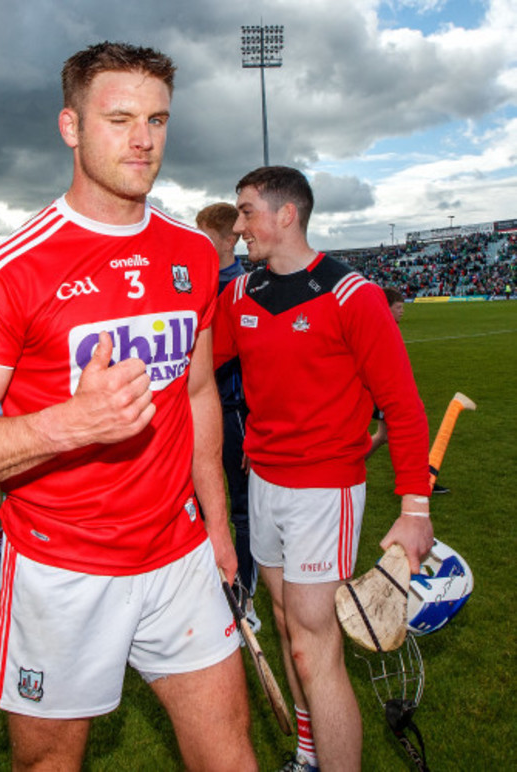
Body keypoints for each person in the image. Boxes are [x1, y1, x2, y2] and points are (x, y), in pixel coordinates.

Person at [0, 42, 256, 771]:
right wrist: (72, 423)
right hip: (62, 570)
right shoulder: (8, 272)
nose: (143, 141)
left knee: (230, 753)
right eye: (121, 119)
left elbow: (198, 393)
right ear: (70, 127)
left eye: (158, 120)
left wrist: (219, 528)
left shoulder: (193, 255)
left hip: (179, 556)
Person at [212, 166, 434, 772]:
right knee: (287, 629)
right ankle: (309, 756)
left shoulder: (351, 295)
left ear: (287, 215)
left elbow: (404, 407)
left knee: (316, 649)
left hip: (324, 489)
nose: (239, 225)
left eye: (247, 211)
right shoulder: (240, 294)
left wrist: (415, 508)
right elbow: (196, 364)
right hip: (263, 483)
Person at [196, 202, 259, 632]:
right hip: (198, 409)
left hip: (233, 409)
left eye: (205, 234)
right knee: (198, 503)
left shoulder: (243, 285)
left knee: (241, 508)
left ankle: (246, 594)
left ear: (228, 237)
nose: (197, 241)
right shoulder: (196, 280)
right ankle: (204, 583)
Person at [366, 287, 450, 494]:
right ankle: (421, 481)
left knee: (385, 435)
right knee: (408, 432)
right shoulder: (381, 329)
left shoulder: (384, 327)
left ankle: (348, 466)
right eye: (398, 307)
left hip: (385, 391)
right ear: (387, 309)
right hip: (386, 393)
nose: (402, 311)